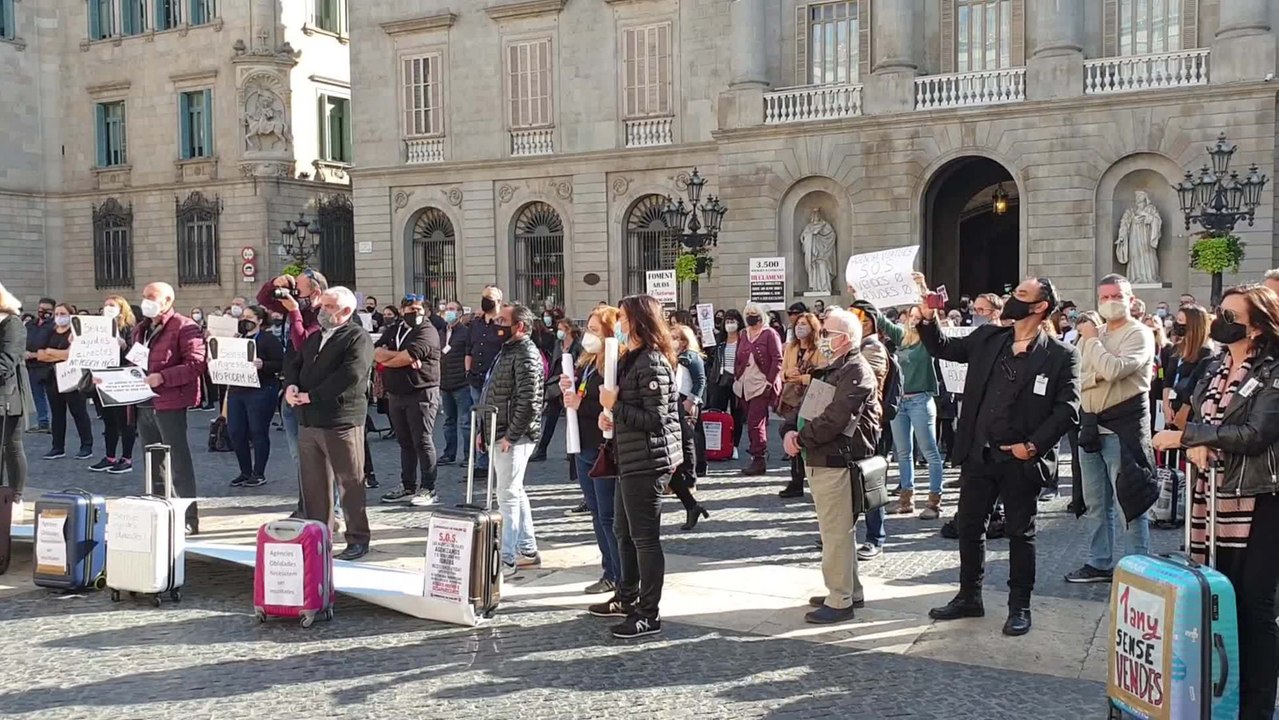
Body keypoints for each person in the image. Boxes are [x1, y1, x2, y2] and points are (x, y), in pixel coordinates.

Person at [919, 275, 1079, 636]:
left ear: (1040, 307)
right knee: (969, 528)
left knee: (1021, 534)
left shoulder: (1060, 355)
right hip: (979, 453)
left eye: (1021, 294)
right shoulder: (989, 337)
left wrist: (1032, 446)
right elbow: (943, 348)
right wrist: (929, 317)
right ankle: (968, 596)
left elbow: (1067, 410)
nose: (1012, 297)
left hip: (1020, 460)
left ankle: (1019, 606)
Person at [1152, 284, 1279, 720]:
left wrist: (1189, 437)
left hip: (1261, 498)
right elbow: (1205, 417)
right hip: (1212, 497)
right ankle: (1224, 693)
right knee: (1222, 599)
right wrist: (1198, 440)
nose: (1219, 319)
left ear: (1258, 326)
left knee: (1256, 605)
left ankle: (1258, 707)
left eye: (1230, 314)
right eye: (1219, 311)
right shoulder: (1215, 364)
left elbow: (1255, 435)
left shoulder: (1273, 371)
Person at [589, 294, 682, 639]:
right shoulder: (632, 358)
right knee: (622, 532)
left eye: (625, 318)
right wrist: (611, 417)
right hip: (629, 457)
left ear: (641, 321)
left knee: (644, 539)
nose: (621, 324)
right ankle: (627, 596)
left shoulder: (653, 362)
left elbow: (656, 419)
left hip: (648, 460)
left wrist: (616, 407)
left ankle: (648, 612)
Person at [782, 307, 881, 624]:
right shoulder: (837, 367)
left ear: (845, 339)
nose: (820, 336)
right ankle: (849, 589)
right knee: (839, 530)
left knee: (835, 532)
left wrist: (800, 439)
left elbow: (836, 418)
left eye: (827, 333)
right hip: (825, 456)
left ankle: (840, 599)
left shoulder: (854, 369)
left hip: (837, 458)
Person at [1064, 275, 1155, 585]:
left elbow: (1114, 369)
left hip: (1123, 430)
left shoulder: (1138, 334)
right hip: (1090, 427)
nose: (1109, 301)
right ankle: (1099, 562)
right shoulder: (1095, 333)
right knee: (1096, 503)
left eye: (1116, 295)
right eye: (1103, 297)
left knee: (1129, 500)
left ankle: (1137, 567)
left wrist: (1091, 342)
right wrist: (1100, 373)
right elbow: (1078, 374)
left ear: (1130, 298)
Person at [285, 286, 375, 561]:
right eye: (321, 305)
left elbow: (350, 376)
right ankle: (318, 535)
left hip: (340, 421)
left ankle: (358, 538)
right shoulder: (316, 337)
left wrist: (311, 396)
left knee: (349, 481)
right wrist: (290, 385)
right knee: (314, 483)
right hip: (309, 420)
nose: (320, 310)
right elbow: (295, 361)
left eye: (327, 306)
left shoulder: (357, 338)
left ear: (345, 311)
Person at [133, 282, 206, 534]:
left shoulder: (185, 327)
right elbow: (135, 360)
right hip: (143, 402)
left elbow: (196, 364)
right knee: (152, 460)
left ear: (167, 301)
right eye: (144, 297)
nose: (146, 301)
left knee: (177, 461)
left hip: (170, 401)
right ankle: (158, 511)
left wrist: (163, 377)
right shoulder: (141, 329)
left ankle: (188, 517)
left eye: (151, 297)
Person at [479, 303, 544, 576]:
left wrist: (511, 435)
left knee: (506, 495)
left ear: (519, 326)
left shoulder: (526, 354)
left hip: (513, 434)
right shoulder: (508, 351)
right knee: (514, 491)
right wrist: (484, 431)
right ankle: (527, 548)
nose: (497, 323)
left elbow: (529, 401)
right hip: (500, 429)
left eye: (503, 320)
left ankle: (506, 557)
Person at [562, 306, 623, 595]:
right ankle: (608, 568)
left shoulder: (615, 364)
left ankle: (618, 574)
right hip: (585, 445)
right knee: (597, 514)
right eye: (587, 329)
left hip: (604, 446)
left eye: (595, 330)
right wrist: (568, 390)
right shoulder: (586, 362)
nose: (589, 336)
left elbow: (608, 406)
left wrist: (579, 403)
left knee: (609, 515)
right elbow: (580, 395)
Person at [376, 294, 443, 507]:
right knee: (405, 442)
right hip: (396, 393)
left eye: (419, 309)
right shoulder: (394, 329)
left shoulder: (427, 331)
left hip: (421, 392)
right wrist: (396, 358)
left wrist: (390, 359)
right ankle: (408, 485)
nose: (416, 313)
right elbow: (376, 351)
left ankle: (429, 488)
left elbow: (410, 355)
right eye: (411, 309)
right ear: (402, 310)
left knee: (422, 440)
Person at [882, 306, 946, 519]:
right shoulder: (901, 336)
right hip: (900, 402)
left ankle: (934, 501)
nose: (913, 320)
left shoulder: (929, 342)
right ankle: (906, 500)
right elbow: (882, 321)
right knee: (902, 452)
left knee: (930, 452)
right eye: (911, 316)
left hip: (921, 399)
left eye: (918, 317)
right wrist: (860, 294)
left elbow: (936, 332)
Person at [226, 306, 283, 488]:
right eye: (243, 317)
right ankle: (245, 471)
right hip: (237, 389)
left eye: (249, 317)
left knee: (258, 431)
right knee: (236, 431)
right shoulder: (236, 339)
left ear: (259, 320)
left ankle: (258, 473)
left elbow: (280, 363)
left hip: (261, 389)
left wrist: (263, 364)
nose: (245, 320)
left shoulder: (268, 339)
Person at [36, 303, 93, 460]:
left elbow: (72, 354)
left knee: (78, 412)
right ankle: (57, 447)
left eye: (63, 313)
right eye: (57, 313)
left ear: (70, 314)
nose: (59, 316)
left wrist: (52, 352)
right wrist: (58, 354)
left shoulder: (75, 333)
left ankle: (86, 446)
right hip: (52, 376)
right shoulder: (50, 331)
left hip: (71, 376)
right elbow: (40, 354)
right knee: (57, 414)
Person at [89, 295, 138, 474]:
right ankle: (110, 456)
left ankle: (127, 458)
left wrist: (124, 345)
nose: (108, 308)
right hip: (103, 377)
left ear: (121, 308)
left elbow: (138, 353)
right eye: (106, 305)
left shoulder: (130, 328)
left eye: (112, 305)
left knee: (125, 420)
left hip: (122, 378)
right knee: (108, 420)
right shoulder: (97, 328)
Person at [733, 302, 783, 475]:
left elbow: (777, 359)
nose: (751, 316)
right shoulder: (743, 334)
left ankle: (759, 457)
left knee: (756, 422)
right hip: (744, 385)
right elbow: (738, 359)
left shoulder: (770, 334)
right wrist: (736, 376)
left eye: (755, 313)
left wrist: (770, 382)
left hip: (761, 384)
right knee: (750, 422)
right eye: (748, 313)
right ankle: (756, 453)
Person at [778, 310, 823, 499]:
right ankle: (796, 479)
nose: (799, 328)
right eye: (797, 325)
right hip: (793, 398)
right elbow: (783, 371)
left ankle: (806, 478)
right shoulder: (791, 347)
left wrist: (802, 378)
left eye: (804, 324)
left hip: (812, 397)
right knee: (789, 432)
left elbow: (823, 374)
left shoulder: (820, 348)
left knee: (801, 434)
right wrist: (789, 375)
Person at [671, 324, 709, 530]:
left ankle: (691, 476)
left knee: (689, 439)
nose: (672, 340)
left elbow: (700, 380)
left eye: (676, 337)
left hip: (687, 400)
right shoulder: (675, 356)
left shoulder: (692, 357)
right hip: (678, 398)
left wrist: (692, 401)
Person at [532, 314, 582, 462]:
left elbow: (580, 364)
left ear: (568, 330)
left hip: (571, 385)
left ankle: (572, 451)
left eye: (561, 329)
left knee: (572, 419)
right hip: (556, 384)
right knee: (550, 420)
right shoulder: (557, 344)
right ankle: (542, 450)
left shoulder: (577, 345)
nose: (558, 332)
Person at [468, 285, 505, 478]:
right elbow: (469, 349)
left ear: (499, 300)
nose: (485, 301)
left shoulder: (504, 324)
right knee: (479, 421)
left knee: (496, 421)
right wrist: (468, 371)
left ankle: (499, 462)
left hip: (498, 382)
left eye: (489, 298)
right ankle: (481, 463)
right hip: (476, 378)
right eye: (483, 297)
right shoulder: (475, 324)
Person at [0, 283, 30, 520]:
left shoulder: (12, 323)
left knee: (11, 445)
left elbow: (6, 362)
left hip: (8, 395)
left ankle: (16, 497)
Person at [1162, 304, 1214, 430]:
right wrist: (1166, 406)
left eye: (1180, 321)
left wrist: (1184, 411)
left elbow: (1197, 386)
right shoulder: (1176, 349)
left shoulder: (1205, 353)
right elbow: (1168, 380)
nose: (1177, 324)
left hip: (1189, 411)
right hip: (1172, 405)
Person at [707, 309, 746, 459]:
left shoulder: (743, 340)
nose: (730, 324)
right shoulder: (719, 341)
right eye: (728, 321)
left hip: (737, 380)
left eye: (733, 321)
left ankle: (734, 445)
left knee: (737, 414)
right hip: (720, 379)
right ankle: (716, 444)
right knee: (717, 411)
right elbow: (710, 358)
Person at [438, 301, 472, 466]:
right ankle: (448, 453)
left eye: (452, 309)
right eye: (446, 309)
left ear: (460, 313)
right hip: (445, 383)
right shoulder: (441, 332)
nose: (448, 312)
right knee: (448, 421)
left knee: (466, 422)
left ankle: (468, 455)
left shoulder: (465, 333)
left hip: (462, 383)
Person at [24, 297, 55, 433]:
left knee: (52, 397)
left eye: (47, 310)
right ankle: (43, 422)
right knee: (37, 395)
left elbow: (54, 346)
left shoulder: (54, 326)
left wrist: (35, 354)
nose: (43, 312)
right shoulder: (31, 324)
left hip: (49, 365)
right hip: (32, 366)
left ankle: (56, 423)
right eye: (41, 309)